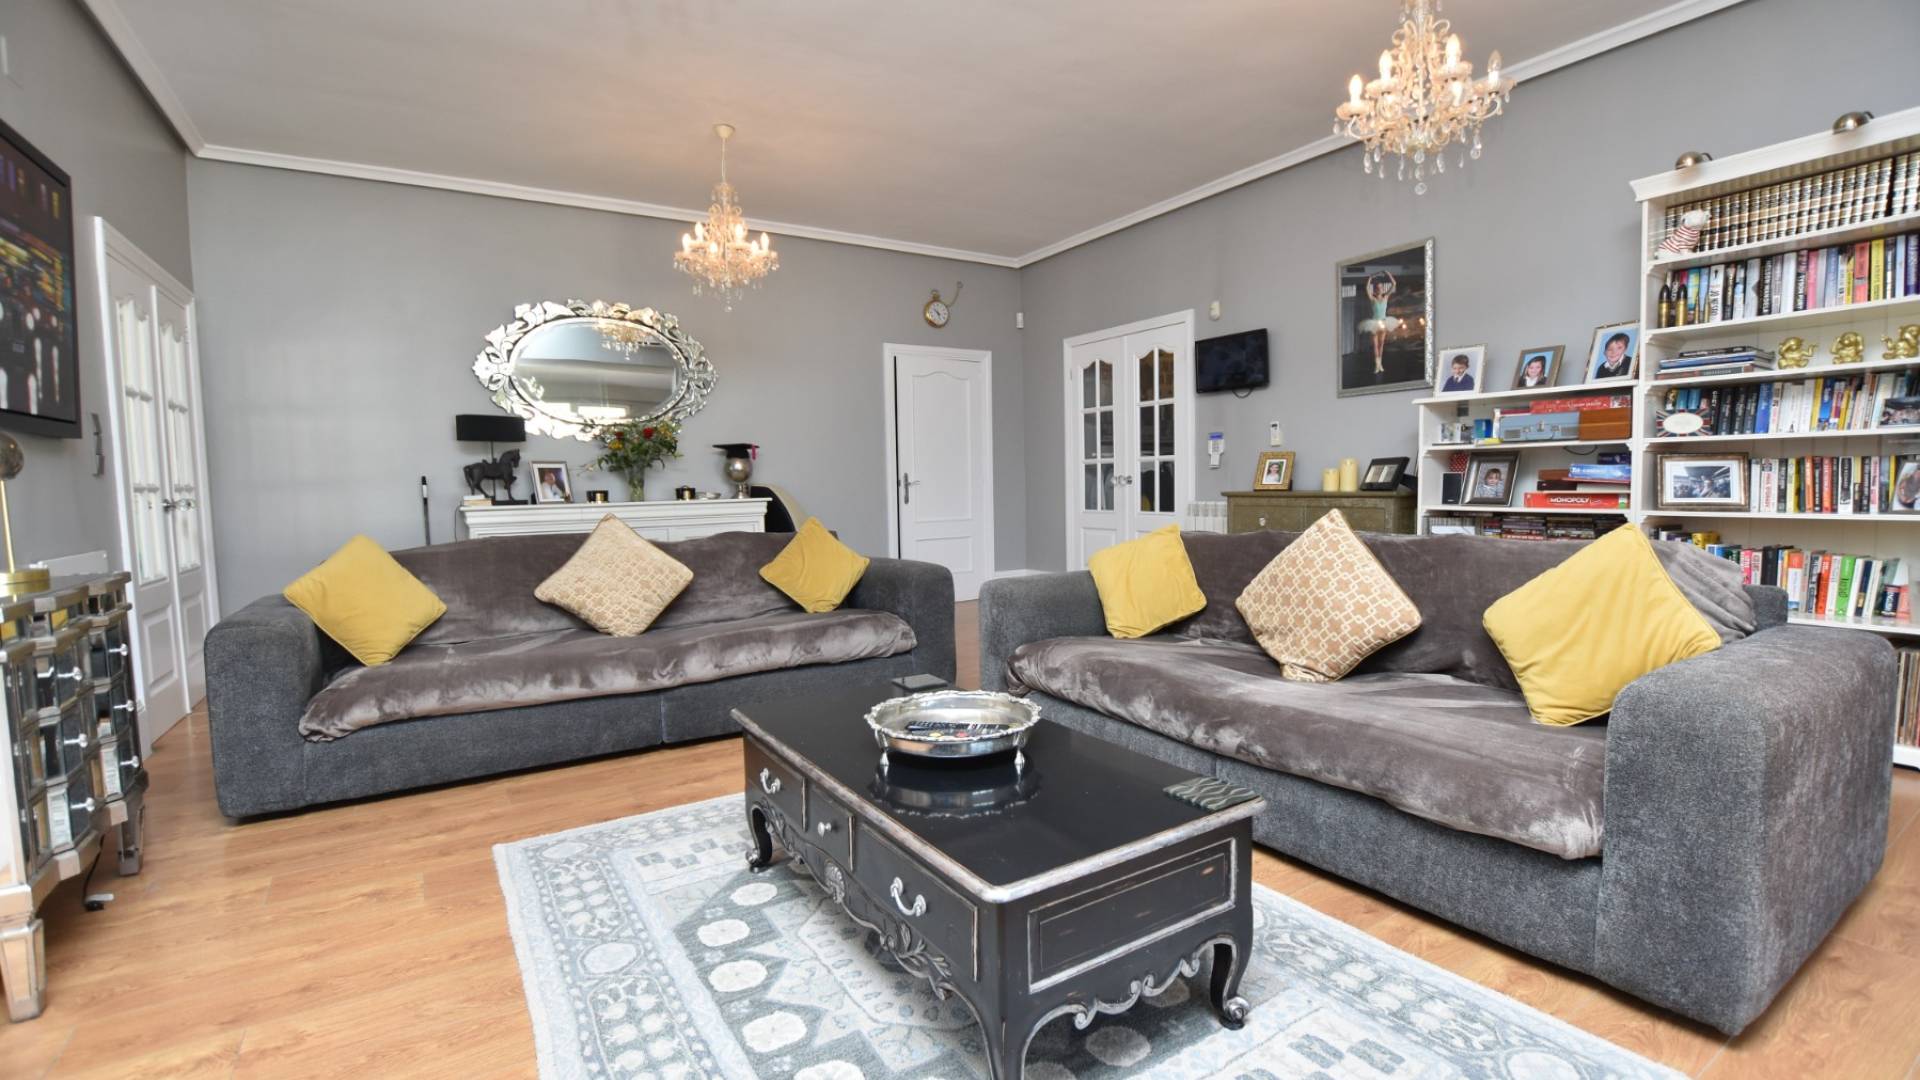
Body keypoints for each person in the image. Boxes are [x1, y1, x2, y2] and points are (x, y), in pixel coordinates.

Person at [1357, 270, 1399, 376]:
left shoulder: (1386, 297)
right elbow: (1367, 288)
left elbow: (1394, 283)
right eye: (1377, 288)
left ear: (1382, 289)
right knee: (1375, 345)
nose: (1379, 289)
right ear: (1375, 290)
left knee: (1381, 344)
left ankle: (1380, 364)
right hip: (1374, 323)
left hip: (1384, 322)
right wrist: (1370, 277)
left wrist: (1388, 273)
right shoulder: (1372, 299)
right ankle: (1377, 364)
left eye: (1381, 287)